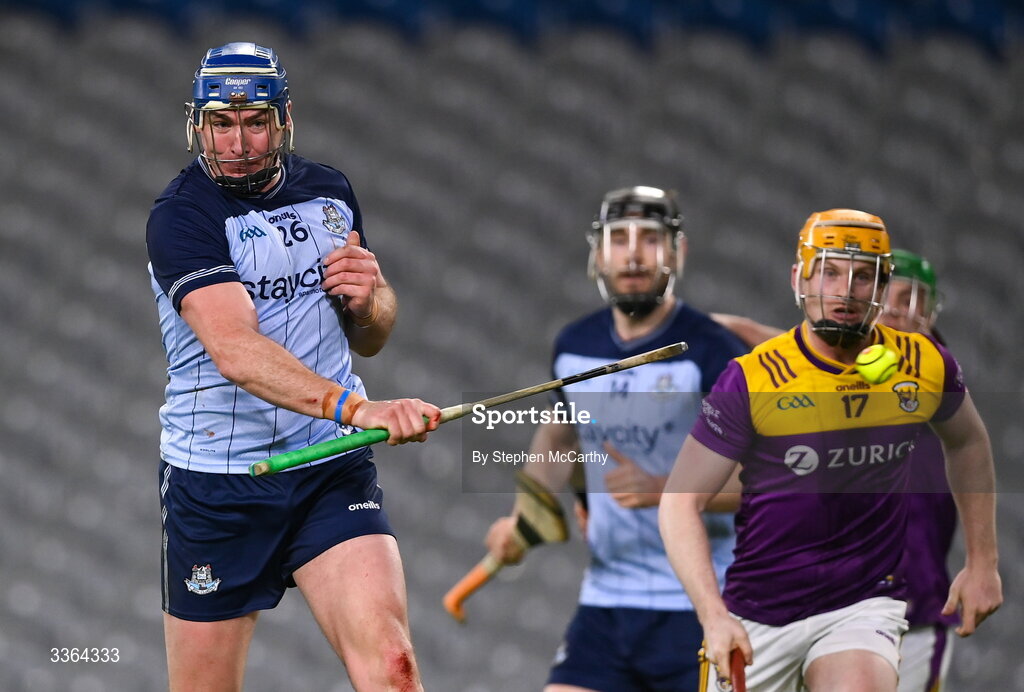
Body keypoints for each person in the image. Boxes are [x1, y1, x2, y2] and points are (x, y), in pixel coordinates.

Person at [146, 42, 440, 692]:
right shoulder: (182, 218)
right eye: (222, 124)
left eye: (255, 123)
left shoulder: (330, 192)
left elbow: (370, 335)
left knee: (394, 668)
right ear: (197, 124)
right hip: (220, 483)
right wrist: (359, 409)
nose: (240, 142)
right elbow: (235, 350)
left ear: (284, 120)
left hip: (329, 467)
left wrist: (372, 301)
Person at [659, 209, 1002, 692]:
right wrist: (713, 615)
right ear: (799, 277)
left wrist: (983, 561)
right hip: (759, 614)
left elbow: (968, 441)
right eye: (830, 271)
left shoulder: (923, 365)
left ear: (882, 286)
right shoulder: (752, 379)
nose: (846, 291)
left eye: (864, 276)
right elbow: (679, 502)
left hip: (862, 604)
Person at [485, 186, 747, 691]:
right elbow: (563, 440)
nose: (631, 254)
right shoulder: (574, 346)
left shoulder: (713, 352)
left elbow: (762, 481)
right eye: (617, 239)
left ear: (677, 252)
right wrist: (524, 518)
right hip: (607, 602)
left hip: (701, 601)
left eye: (649, 239)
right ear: (597, 253)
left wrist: (666, 490)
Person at [880, 249, 959, 692]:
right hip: (833, 611)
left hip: (914, 621)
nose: (895, 309)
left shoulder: (937, 375)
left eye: (911, 299)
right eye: (888, 295)